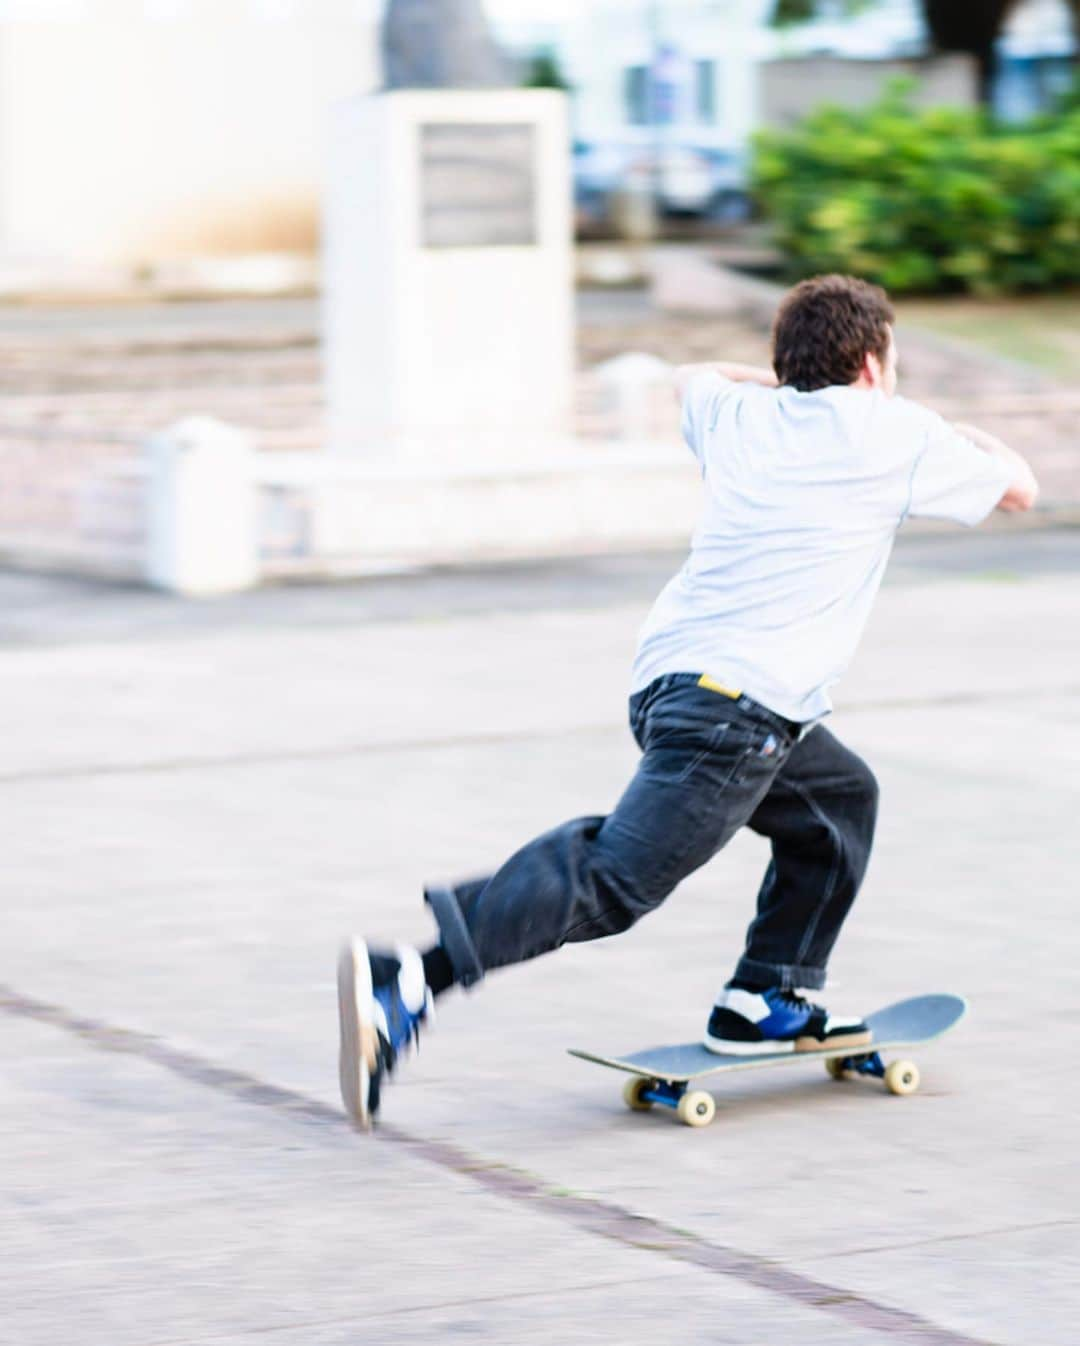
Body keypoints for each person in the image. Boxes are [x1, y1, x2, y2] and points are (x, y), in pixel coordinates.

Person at [337, 274, 1038, 1129]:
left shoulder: (735, 415)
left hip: (679, 688)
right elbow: (1020, 489)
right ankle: (412, 976)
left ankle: (767, 995)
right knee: (617, 878)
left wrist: (788, 382)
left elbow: (690, 372)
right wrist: (937, 420)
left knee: (839, 805)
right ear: (871, 364)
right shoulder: (895, 432)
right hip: (737, 720)